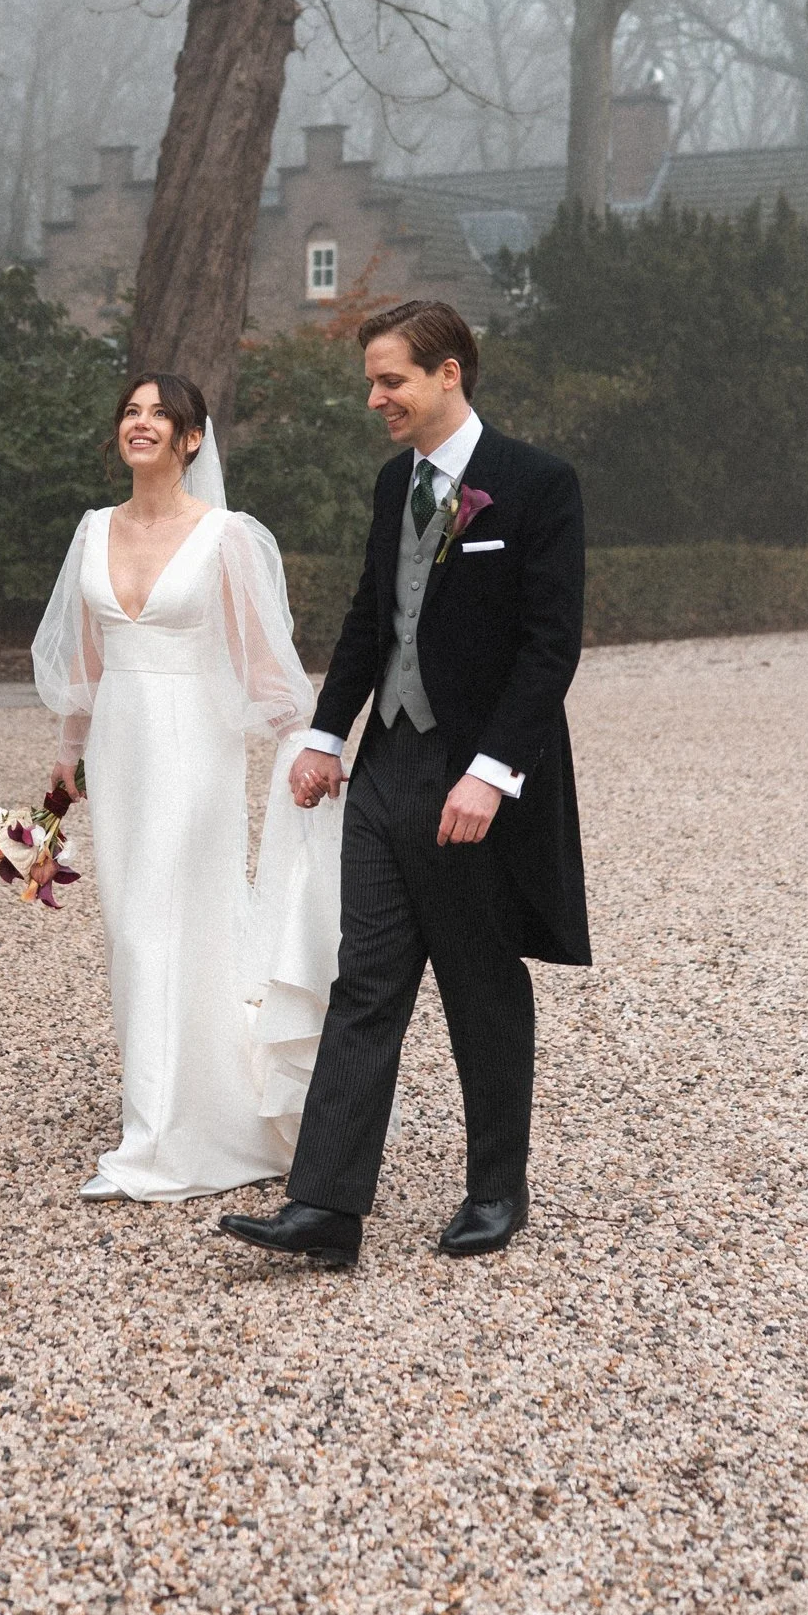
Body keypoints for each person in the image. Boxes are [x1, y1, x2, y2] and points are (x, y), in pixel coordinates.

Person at [219, 298, 587, 1268]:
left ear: (447, 374)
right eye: (371, 382)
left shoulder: (537, 485)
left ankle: (495, 1188)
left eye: (390, 380)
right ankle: (326, 1207)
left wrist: (491, 773)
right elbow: (365, 621)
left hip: (472, 783)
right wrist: (324, 734)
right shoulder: (394, 485)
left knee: (479, 985)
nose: (374, 397)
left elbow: (550, 650)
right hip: (384, 770)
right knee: (365, 982)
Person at [32, 373, 343, 1201]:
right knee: (131, 928)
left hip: (192, 753)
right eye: (130, 412)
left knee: (167, 922)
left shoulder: (225, 536)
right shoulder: (93, 529)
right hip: (121, 748)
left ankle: (163, 1139)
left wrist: (306, 747)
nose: (141, 424)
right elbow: (86, 657)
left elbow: (262, 661)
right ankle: (179, 1104)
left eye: (158, 414)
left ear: (191, 439)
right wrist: (68, 752)